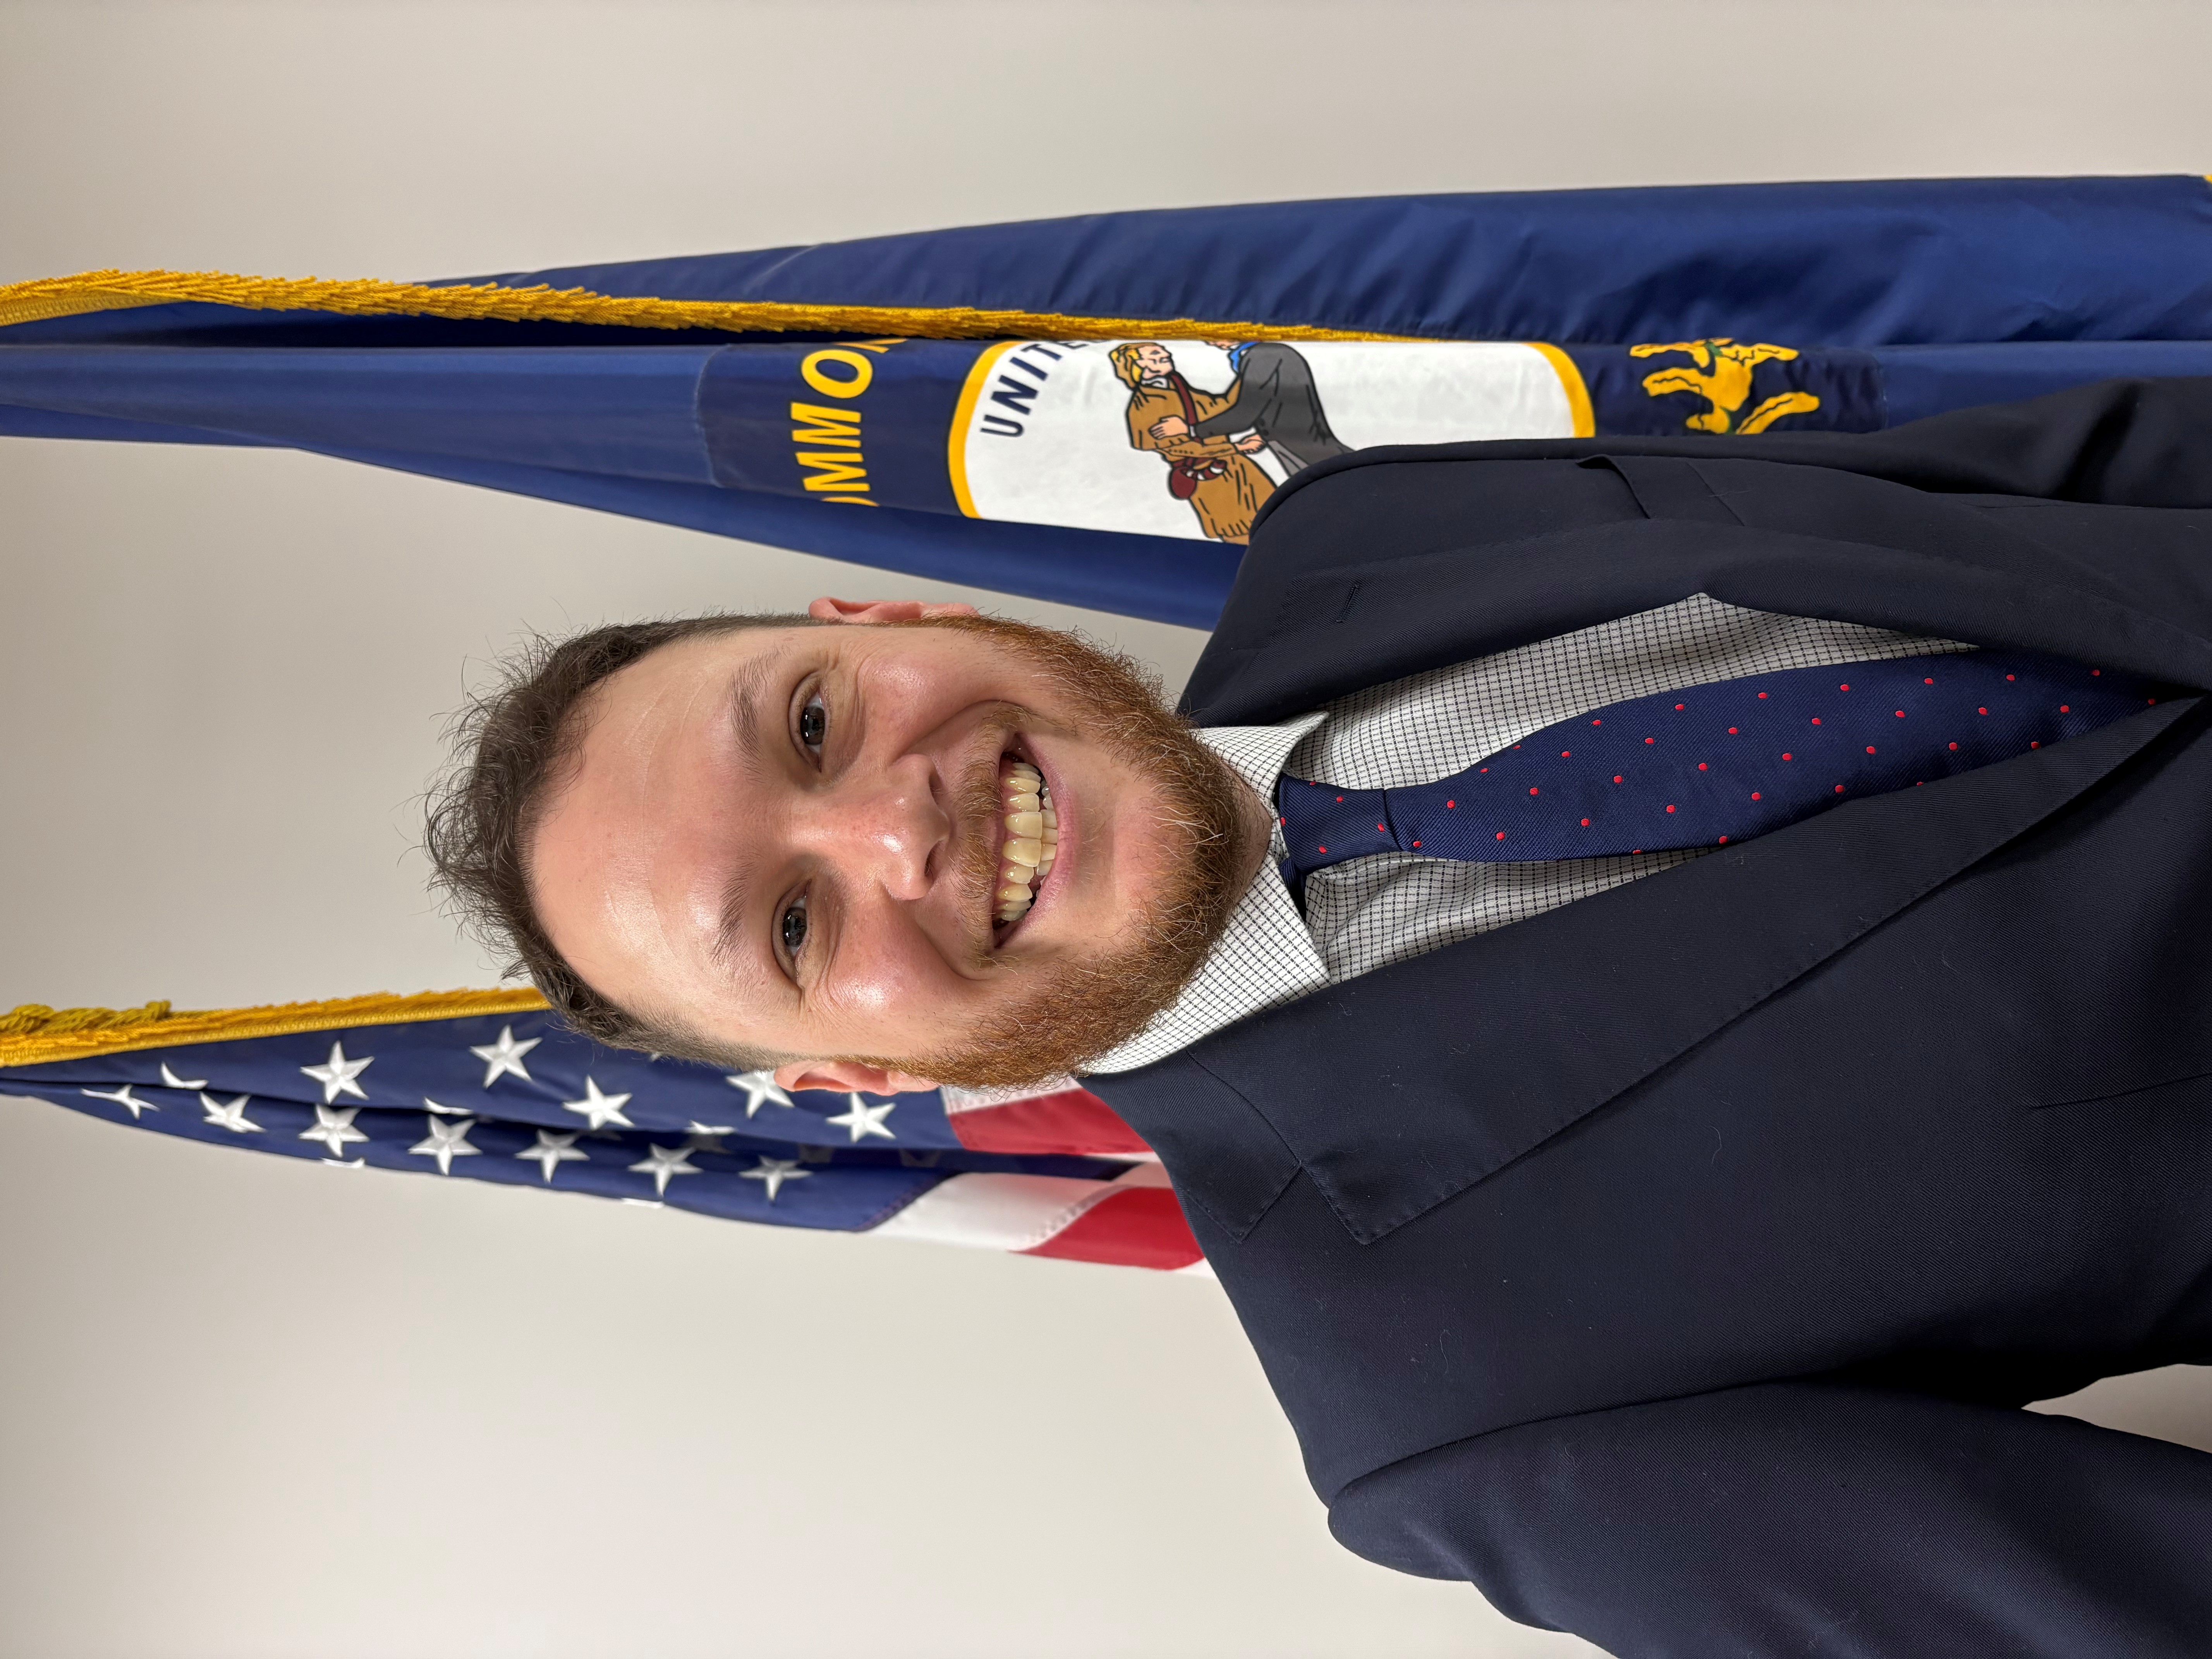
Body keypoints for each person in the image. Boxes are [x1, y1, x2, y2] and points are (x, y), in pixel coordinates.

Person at [426, 376, 2212, 1657]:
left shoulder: (1372, 530)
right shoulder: (1450, 1404)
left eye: (810, 726)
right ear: (854, 1074)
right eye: (795, 920)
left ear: (883, 614)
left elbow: (2066, 477)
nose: (900, 824)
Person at [1108, 339, 1274, 541]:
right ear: (1138, 366)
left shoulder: (1179, 389)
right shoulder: (1144, 407)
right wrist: (1237, 447)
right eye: (1154, 355)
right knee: (1241, 532)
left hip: (1240, 469)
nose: (1165, 354)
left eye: (1162, 351)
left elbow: (1222, 406)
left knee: (1280, 517)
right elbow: (1183, 450)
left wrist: (1249, 371)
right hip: (1210, 479)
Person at [1148, 338, 1352, 474]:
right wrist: (1265, 434)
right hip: (1288, 439)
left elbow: (1246, 412)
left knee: (1342, 478)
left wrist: (1191, 429)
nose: (1210, 342)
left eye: (1213, 334)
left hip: (1301, 442)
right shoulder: (1264, 354)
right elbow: (1274, 402)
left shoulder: (1265, 356)